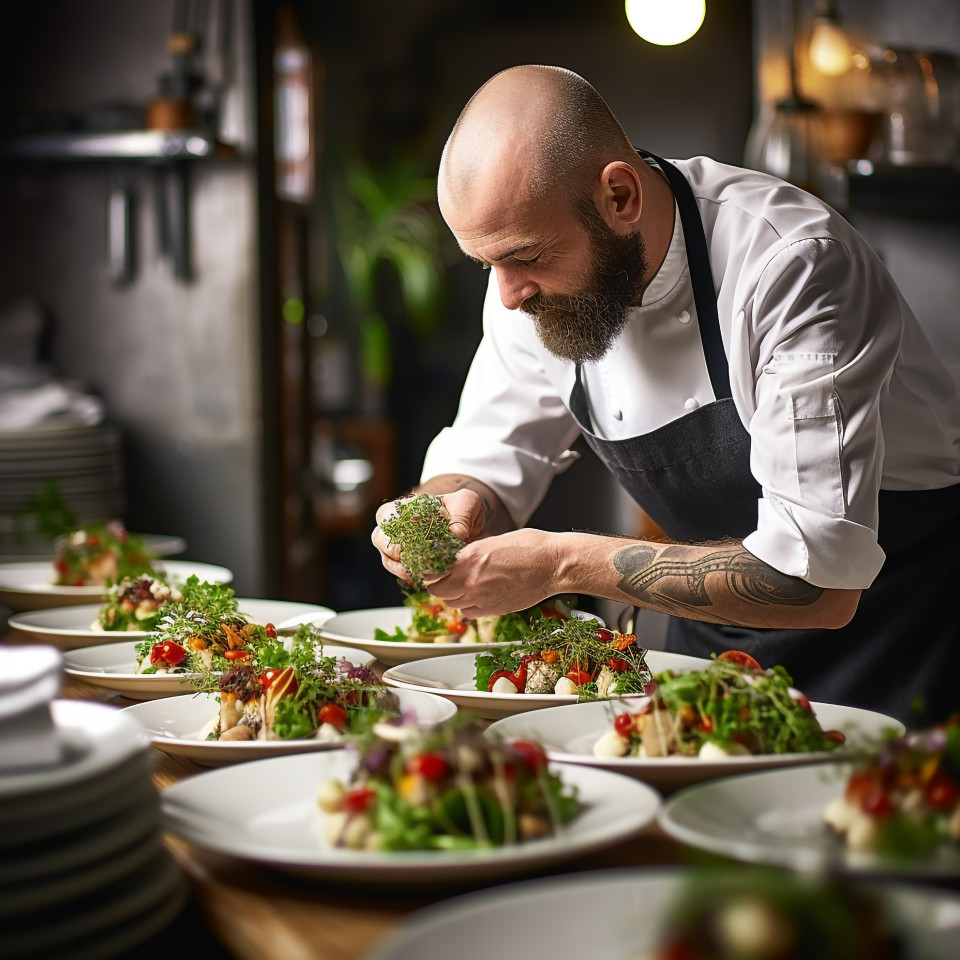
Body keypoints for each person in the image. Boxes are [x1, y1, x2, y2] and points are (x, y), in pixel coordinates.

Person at [371, 64, 960, 726]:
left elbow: (817, 583)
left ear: (619, 197)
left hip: (891, 642)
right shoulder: (523, 287)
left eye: (527, 257)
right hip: (709, 654)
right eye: (489, 266)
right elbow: (483, 461)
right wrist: (439, 513)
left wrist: (562, 562)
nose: (508, 295)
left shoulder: (789, 265)